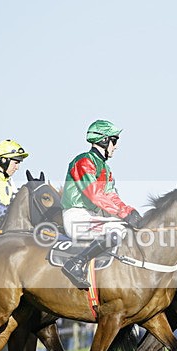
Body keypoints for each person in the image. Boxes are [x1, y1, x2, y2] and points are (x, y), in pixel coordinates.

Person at [61, 119, 143, 289]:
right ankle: (76, 262)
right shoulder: (83, 161)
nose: (116, 146)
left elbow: (111, 195)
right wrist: (123, 214)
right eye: (114, 141)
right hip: (76, 216)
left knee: (126, 229)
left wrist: (129, 211)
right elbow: (95, 195)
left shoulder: (105, 168)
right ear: (104, 140)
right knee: (117, 230)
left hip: (91, 216)